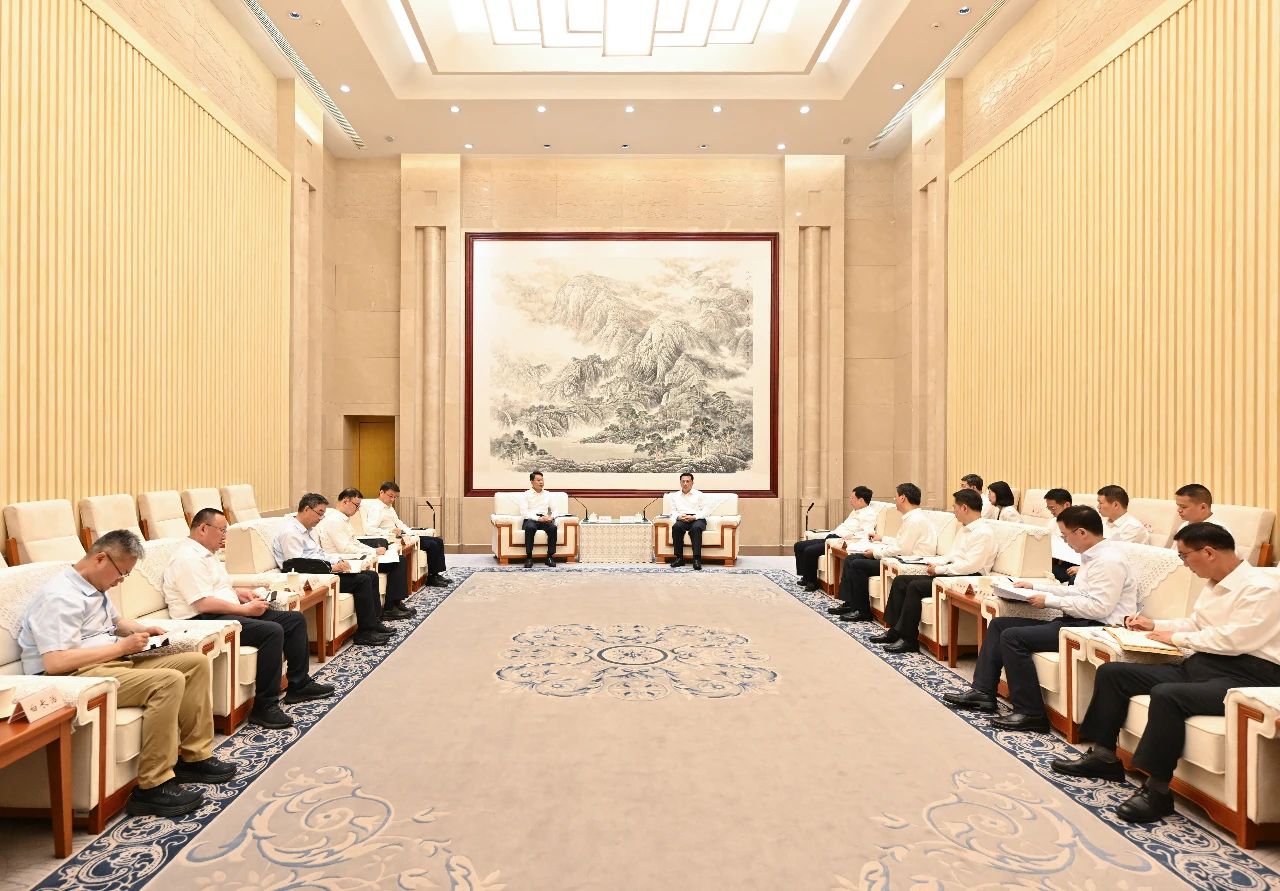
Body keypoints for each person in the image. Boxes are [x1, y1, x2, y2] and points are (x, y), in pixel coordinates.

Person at [1052, 523, 1280, 824]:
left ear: (1208, 552)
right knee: (1113, 673)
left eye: (1184, 556)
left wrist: (1176, 639)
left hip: (1250, 677)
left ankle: (1157, 791)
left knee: (1168, 695)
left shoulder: (1263, 588)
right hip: (1205, 665)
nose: (1184, 564)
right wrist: (1156, 625)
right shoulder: (1215, 583)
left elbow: (1235, 640)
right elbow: (1197, 624)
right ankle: (1103, 757)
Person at [17, 530, 235, 818]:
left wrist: (140, 630)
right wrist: (121, 647)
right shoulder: (60, 597)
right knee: (168, 681)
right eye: (121, 574)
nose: (120, 581)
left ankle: (194, 758)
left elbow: (114, 622)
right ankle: (153, 786)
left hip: (109, 662)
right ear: (100, 558)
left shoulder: (93, 586)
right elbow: (57, 662)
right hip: (74, 676)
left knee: (195, 663)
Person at [943, 506, 1137, 731]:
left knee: (1013, 637)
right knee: (998, 625)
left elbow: (1099, 608)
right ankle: (983, 692)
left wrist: (1048, 601)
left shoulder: (1109, 561)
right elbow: (1077, 592)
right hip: (1078, 620)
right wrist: (1035, 587)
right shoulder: (1093, 556)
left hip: (1095, 628)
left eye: (1065, 535)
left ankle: (1031, 712)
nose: (1065, 541)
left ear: (1082, 532)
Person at [163, 508, 335, 730]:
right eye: (222, 530)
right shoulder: (188, 558)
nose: (225, 536)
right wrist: (244, 610)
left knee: (294, 620)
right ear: (203, 528)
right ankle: (264, 706)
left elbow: (216, 588)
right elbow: (203, 603)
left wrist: (240, 594)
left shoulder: (206, 554)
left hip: (224, 611)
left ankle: (299, 685)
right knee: (272, 631)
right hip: (204, 620)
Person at [871, 489, 997, 654]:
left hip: (970, 578)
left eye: (955, 507)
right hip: (955, 572)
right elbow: (953, 556)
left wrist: (939, 569)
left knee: (915, 587)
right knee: (901, 580)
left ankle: (909, 640)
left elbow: (971, 566)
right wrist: (936, 563)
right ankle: (894, 631)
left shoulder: (984, 533)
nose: (954, 511)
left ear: (964, 508)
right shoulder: (964, 529)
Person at [273, 493, 393, 647]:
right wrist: (331, 567)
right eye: (319, 513)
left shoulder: (308, 529)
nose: (321, 518)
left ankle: (374, 623)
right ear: (307, 509)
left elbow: (320, 554)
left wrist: (337, 561)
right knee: (362, 581)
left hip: (320, 569)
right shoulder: (290, 533)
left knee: (371, 575)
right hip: (310, 577)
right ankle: (365, 633)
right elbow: (297, 565)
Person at [828, 483, 937, 622]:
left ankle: (862, 611)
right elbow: (901, 542)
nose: (894, 500)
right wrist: (882, 539)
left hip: (906, 561)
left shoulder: (915, 520)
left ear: (903, 498)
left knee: (857, 565)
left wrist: (875, 553)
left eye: (896, 497)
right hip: (900, 556)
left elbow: (901, 549)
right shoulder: (912, 517)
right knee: (851, 559)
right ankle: (851, 604)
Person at [319, 488, 415, 620]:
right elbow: (345, 548)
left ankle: (395, 603)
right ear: (345, 501)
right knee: (395, 563)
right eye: (356, 505)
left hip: (356, 556)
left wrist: (373, 551)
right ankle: (390, 608)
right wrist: (373, 551)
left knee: (399, 559)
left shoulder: (343, 520)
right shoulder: (334, 521)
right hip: (346, 560)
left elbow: (355, 542)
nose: (358, 510)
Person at [364, 481, 450, 588]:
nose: (392, 499)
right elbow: (370, 529)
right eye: (390, 496)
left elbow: (399, 523)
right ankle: (431, 578)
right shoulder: (376, 509)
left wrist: (411, 533)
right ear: (381, 492)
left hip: (403, 535)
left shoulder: (389, 507)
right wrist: (389, 532)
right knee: (432, 544)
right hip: (393, 539)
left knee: (438, 541)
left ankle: (436, 574)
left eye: (395, 497)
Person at [793, 485, 876, 592]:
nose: (850, 500)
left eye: (852, 498)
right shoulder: (855, 511)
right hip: (832, 536)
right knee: (799, 545)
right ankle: (805, 577)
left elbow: (868, 533)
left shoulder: (869, 514)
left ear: (861, 500)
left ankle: (812, 582)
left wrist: (852, 536)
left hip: (838, 541)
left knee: (810, 551)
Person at [1174, 483, 1248, 561]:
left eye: (1183, 507)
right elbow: (1174, 554)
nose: (1179, 510)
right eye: (1178, 506)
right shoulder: (1184, 526)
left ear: (1203, 507)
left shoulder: (1218, 531)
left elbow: (1228, 561)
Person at [517, 470, 558, 569]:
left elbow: (556, 510)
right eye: (538, 480)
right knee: (530, 528)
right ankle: (529, 557)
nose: (541, 482)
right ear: (532, 482)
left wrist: (551, 517)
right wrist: (538, 519)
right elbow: (524, 513)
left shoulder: (548, 494)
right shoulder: (525, 495)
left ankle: (549, 557)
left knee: (553, 528)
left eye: (542, 480)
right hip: (531, 519)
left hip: (544, 519)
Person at [667, 472, 707, 570]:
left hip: (697, 518)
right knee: (676, 527)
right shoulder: (675, 496)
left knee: (696, 528)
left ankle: (696, 559)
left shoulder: (699, 495)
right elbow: (672, 511)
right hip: (682, 518)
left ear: (692, 483)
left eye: (687, 481)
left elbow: (705, 511)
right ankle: (679, 558)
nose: (685, 483)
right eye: (683, 481)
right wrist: (679, 517)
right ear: (680, 483)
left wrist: (694, 517)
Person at [1044, 488, 1076, 584]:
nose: (1051, 512)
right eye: (1049, 508)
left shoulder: (1080, 522)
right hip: (1056, 561)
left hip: (1074, 563)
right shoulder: (1052, 522)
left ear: (1067, 505)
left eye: (1053, 508)